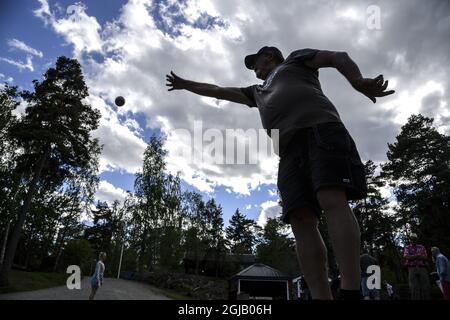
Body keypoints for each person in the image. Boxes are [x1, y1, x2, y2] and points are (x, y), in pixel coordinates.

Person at [166, 46, 394, 300]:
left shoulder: (295, 61)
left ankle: (351, 291)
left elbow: (337, 57)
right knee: (300, 219)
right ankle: (321, 296)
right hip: (288, 152)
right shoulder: (256, 92)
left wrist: (358, 81)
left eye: (256, 63)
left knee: (331, 198)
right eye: (252, 67)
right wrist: (185, 84)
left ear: (271, 55)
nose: (255, 70)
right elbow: (218, 90)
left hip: (321, 130)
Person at [403, 233, 430, 299]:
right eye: (411, 239)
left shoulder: (421, 247)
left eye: (414, 239)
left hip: (422, 268)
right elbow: (406, 256)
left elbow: (425, 257)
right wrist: (418, 256)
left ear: (416, 240)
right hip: (412, 268)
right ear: (410, 240)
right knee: (414, 287)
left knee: (425, 286)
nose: (413, 240)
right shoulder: (407, 247)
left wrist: (413, 257)